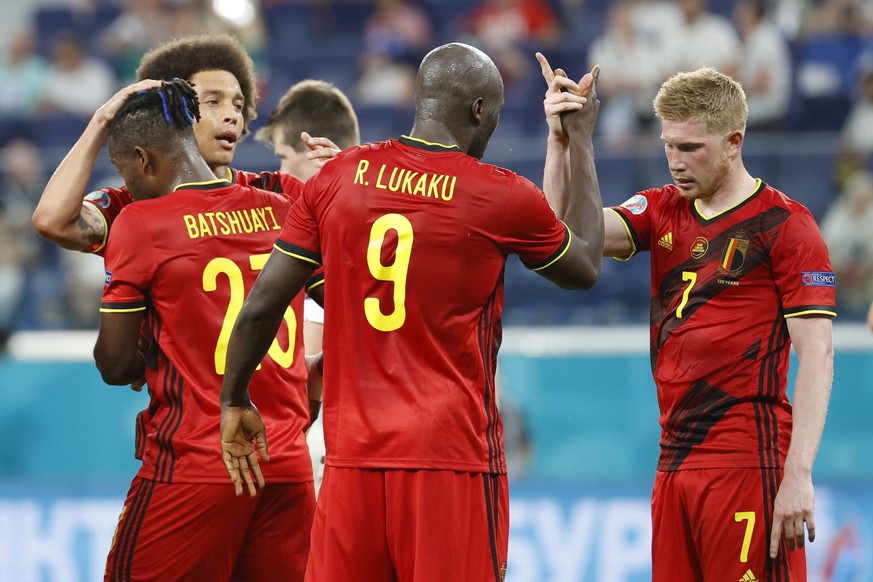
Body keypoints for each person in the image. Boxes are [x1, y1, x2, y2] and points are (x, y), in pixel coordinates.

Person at [218, 42, 604, 581]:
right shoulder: (498, 194)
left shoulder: (337, 177)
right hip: (451, 461)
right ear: (477, 111)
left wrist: (234, 398)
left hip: (351, 461)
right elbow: (584, 263)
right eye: (492, 113)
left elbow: (261, 306)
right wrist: (578, 139)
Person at [541, 60, 835, 580]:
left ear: (734, 141)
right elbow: (570, 234)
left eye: (690, 148)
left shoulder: (786, 225)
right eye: (668, 147)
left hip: (747, 460)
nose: (675, 162)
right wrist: (564, 141)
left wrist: (799, 473)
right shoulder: (660, 209)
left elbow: (818, 354)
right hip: (673, 465)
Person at [93, 80, 314, 581]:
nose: (125, 181)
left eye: (124, 168)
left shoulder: (142, 222)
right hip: (288, 467)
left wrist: (152, 339)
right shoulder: (281, 210)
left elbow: (115, 365)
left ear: (144, 160)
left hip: (197, 461)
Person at [31, 33, 337, 256]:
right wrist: (101, 121)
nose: (232, 115)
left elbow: (360, 248)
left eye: (238, 104)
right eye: (213, 101)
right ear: (171, 112)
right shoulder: (129, 206)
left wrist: (347, 182)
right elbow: (52, 222)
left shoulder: (276, 192)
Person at [254, 78, 362, 494]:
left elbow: (313, 370)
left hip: (326, 448)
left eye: (283, 157)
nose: (279, 173)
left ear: (314, 151)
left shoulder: (319, 244)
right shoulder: (387, 213)